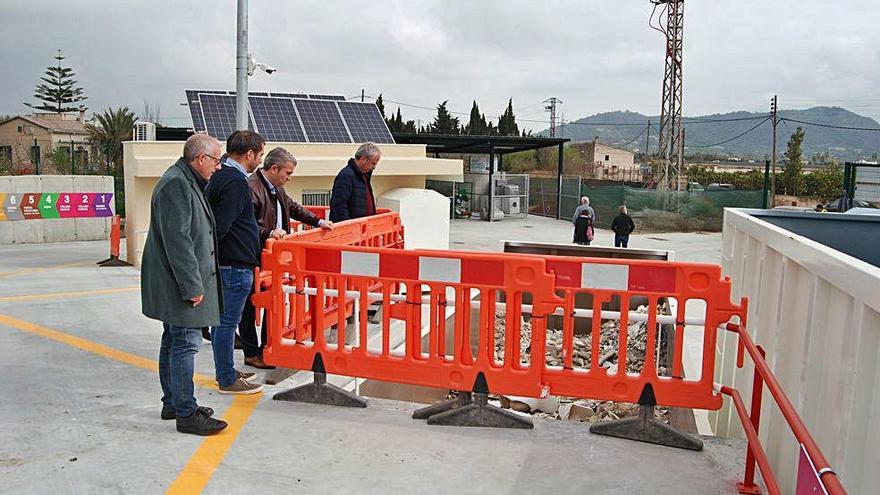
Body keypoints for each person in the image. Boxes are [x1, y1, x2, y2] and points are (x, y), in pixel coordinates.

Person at [141, 133, 227, 435]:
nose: (218, 167)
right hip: (179, 283)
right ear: (201, 159)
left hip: (174, 281)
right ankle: (186, 413)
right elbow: (179, 242)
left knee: (174, 340)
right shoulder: (177, 184)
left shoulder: (185, 179)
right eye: (216, 161)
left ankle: (174, 403)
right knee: (185, 344)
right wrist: (192, 286)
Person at [239, 147, 334, 368]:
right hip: (256, 255)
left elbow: (293, 208)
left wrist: (318, 222)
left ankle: (266, 348)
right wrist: (268, 233)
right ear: (274, 168)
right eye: (287, 173)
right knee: (250, 306)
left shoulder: (275, 188)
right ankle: (252, 352)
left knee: (272, 302)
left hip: (274, 257)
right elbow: (246, 225)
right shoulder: (251, 188)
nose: (289, 178)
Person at [204, 130, 266, 395]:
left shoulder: (222, 177)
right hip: (234, 265)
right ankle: (227, 377)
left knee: (224, 322)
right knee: (227, 323)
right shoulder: (235, 182)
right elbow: (221, 226)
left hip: (230, 263)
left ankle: (226, 369)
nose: (260, 161)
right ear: (249, 154)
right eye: (260, 155)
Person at [329, 142, 381, 222]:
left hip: (362, 229)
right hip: (351, 230)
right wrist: (349, 228)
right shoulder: (346, 176)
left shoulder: (363, 176)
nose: (373, 167)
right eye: (373, 163)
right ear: (363, 159)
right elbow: (339, 206)